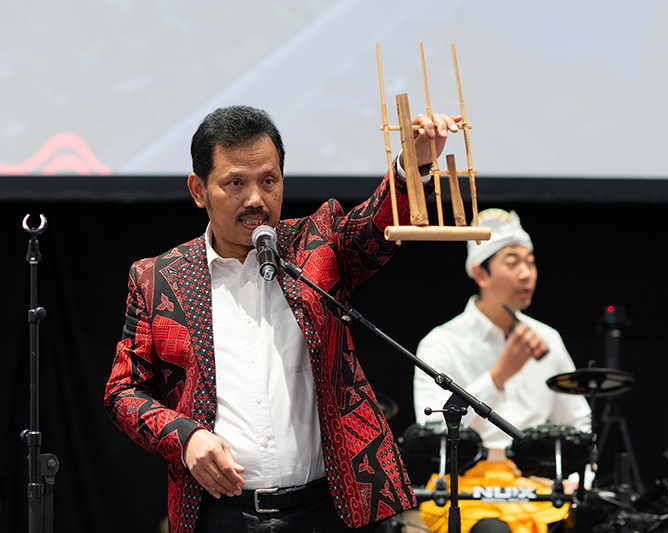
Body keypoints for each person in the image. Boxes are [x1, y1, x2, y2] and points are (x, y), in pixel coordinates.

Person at [104, 104, 461, 533]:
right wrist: (185, 438)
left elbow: (373, 228)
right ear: (199, 190)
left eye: (268, 181)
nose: (256, 199)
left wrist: (413, 166)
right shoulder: (160, 279)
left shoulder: (314, 244)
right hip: (222, 514)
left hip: (330, 507)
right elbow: (124, 391)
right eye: (235, 182)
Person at [413, 207, 592, 452]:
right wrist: (497, 376)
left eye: (530, 262)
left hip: (537, 481)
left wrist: (581, 477)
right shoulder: (441, 343)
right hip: (468, 482)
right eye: (512, 263)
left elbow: (579, 420)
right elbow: (431, 432)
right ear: (480, 274)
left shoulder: (547, 338)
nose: (525, 273)